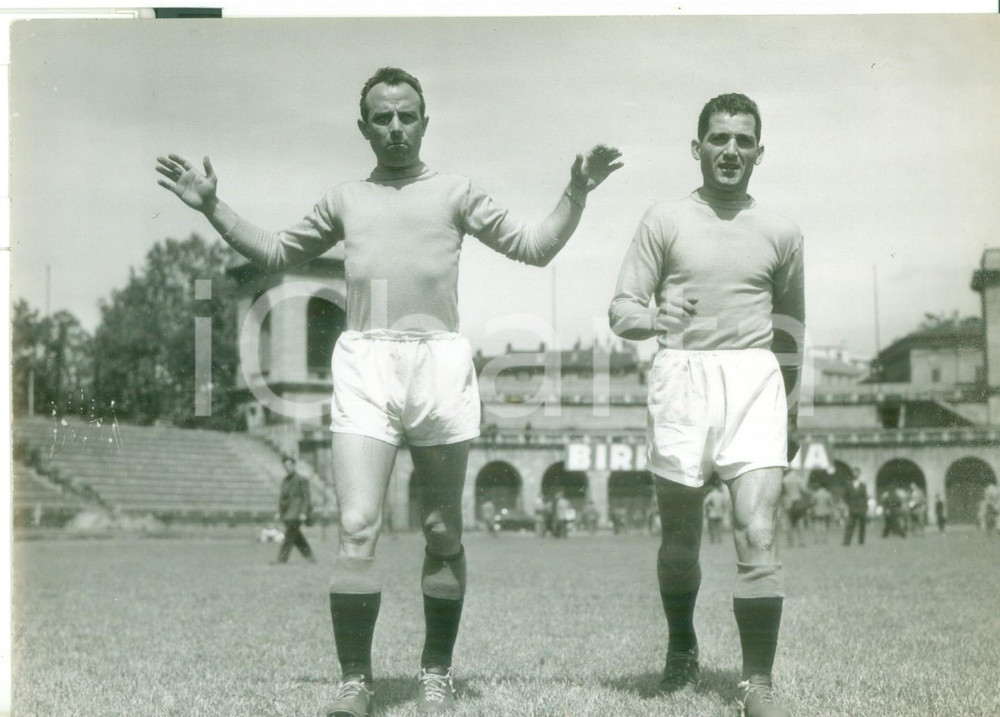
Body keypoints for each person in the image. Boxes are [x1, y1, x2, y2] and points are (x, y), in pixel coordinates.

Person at [156, 66, 621, 717]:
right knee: (357, 524)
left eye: (408, 116)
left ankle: (435, 669)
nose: (397, 128)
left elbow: (534, 246)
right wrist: (211, 205)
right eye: (383, 117)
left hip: (438, 365)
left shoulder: (455, 192)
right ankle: (356, 680)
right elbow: (276, 250)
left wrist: (576, 191)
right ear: (364, 127)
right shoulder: (346, 198)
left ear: (425, 122)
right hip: (367, 363)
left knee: (439, 528)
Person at [609, 93, 804, 717]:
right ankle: (682, 644)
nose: (730, 151)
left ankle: (756, 681)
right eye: (719, 139)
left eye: (743, 141)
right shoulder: (663, 219)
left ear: (759, 152)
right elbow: (621, 310)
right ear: (698, 148)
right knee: (681, 541)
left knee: (759, 529)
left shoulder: (782, 232)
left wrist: (794, 410)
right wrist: (652, 318)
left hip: (754, 380)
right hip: (681, 380)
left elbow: (792, 330)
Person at [274, 455, 316, 564]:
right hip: (287, 514)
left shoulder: (302, 479)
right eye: (285, 465)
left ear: (293, 465)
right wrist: (279, 512)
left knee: (289, 536)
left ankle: (281, 559)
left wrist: (304, 512)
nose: (287, 467)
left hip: (297, 514)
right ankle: (309, 556)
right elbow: (282, 499)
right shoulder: (285, 481)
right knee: (297, 537)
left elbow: (306, 497)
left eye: (289, 465)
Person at [780, 469, 809, 548]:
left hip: (788, 503)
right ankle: (801, 541)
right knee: (800, 522)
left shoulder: (785, 480)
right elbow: (804, 490)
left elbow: (782, 492)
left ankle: (790, 542)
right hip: (798, 503)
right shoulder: (798, 478)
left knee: (789, 523)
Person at [843, 468, 868, 546]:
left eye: (857, 473)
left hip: (861, 507)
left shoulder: (863, 485)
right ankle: (846, 542)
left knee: (862, 525)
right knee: (850, 525)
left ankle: (861, 541)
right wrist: (849, 503)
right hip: (852, 507)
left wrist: (865, 506)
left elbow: (865, 496)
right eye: (854, 473)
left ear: (859, 474)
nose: (855, 475)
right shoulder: (848, 484)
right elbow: (845, 496)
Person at [703, 479, 729, 545]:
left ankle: (712, 539)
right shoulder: (721, 495)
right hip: (719, 513)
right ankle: (719, 539)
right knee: (719, 527)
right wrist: (724, 510)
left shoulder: (711, 494)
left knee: (711, 527)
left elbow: (705, 502)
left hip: (712, 513)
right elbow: (725, 504)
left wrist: (709, 508)